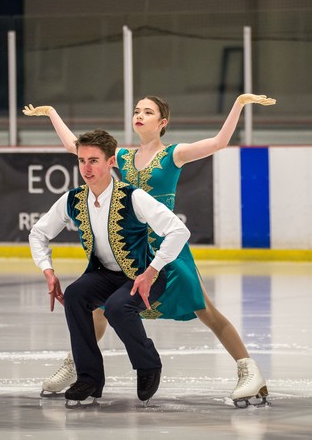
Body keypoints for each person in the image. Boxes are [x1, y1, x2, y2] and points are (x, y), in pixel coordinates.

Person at [24, 93, 273, 408]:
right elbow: (78, 146)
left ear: (162, 122)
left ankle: (249, 371)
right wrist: (52, 114)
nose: (139, 115)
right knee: (98, 308)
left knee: (205, 310)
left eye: (148, 111)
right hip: (135, 246)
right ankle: (77, 366)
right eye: (136, 111)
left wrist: (238, 104)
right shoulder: (123, 156)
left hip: (168, 245)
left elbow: (219, 142)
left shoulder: (174, 154)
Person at [28, 129, 192, 407]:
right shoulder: (75, 199)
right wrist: (48, 270)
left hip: (145, 277)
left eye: (93, 160)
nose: (86, 168)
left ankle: (148, 364)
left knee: (117, 307)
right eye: (82, 161)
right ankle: (89, 377)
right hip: (104, 275)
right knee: (77, 296)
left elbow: (178, 230)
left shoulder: (132, 197)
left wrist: (152, 271)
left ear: (110, 162)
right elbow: (38, 233)